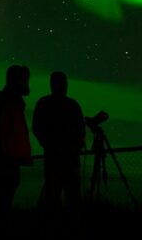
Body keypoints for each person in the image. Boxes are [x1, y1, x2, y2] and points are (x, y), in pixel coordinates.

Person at [32, 71, 85, 213]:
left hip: (63, 158)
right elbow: (37, 128)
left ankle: (58, 226)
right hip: (59, 158)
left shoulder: (46, 103)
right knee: (58, 196)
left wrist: (75, 146)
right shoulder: (69, 105)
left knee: (66, 196)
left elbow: (81, 130)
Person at [0, 64, 32, 214]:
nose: (27, 84)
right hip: (6, 162)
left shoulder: (10, 103)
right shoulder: (7, 104)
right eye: (24, 80)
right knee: (1, 203)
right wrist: (5, 161)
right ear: (16, 81)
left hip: (8, 161)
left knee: (1, 202)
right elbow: (1, 135)